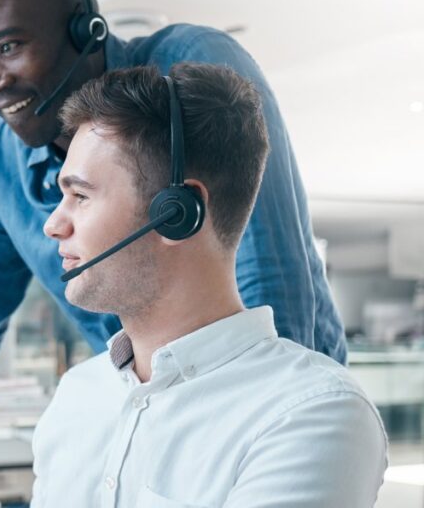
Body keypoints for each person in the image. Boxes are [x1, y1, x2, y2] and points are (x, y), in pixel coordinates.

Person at [0, 0, 345, 423]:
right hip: (142, 415)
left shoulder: (191, 73)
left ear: (85, 32)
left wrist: (279, 423)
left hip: (265, 403)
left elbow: (267, 277)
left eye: (7, 47)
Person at [31, 63, 386, 506]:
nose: (52, 224)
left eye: (80, 196)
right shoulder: (77, 396)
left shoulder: (311, 412)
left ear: (177, 212)